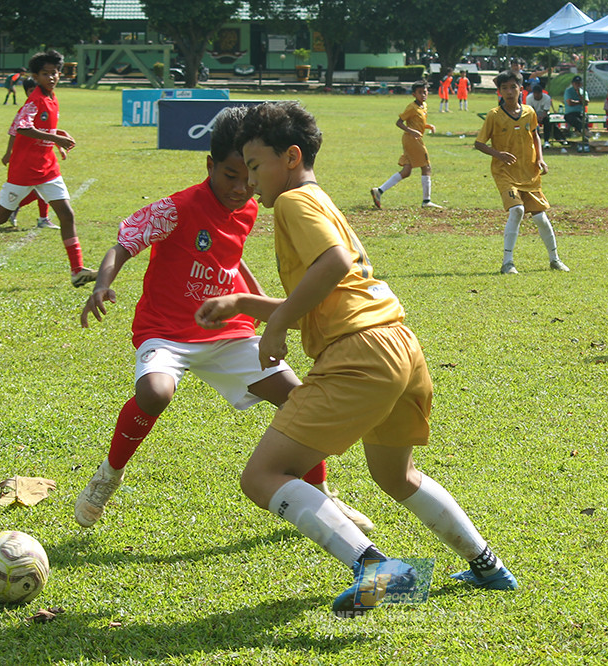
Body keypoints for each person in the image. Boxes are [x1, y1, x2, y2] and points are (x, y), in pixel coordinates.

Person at [194, 101, 517, 618]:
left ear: (291, 156)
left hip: (359, 353)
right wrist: (249, 305)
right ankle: (486, 563)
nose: (251, 182)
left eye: (256, 166)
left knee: (262, 476)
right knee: (397, 476)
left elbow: (334, 264)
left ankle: (379, 570)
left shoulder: (294, 203)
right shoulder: (319, 201)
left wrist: (274, 325)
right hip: (397, 344)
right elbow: (334, 288)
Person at [74, 107, 373, 533]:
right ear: (210, 165)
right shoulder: (178, 207)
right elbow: (124, 242)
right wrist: (102, 284)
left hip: (226, 332)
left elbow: (229, 259)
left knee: (299, 399)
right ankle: (109, 475)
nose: (241, 188)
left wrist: (254, 300)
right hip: (167, 331)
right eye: (230, 176)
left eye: (249, 177)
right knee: (156, 393)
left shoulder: (250, 208)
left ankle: (324, 495)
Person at [0, 50, 96, 287]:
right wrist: (55, 139)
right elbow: (22, 128)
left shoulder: (52, 97)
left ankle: (77, 270)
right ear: (36, 76)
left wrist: (57, 135)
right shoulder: (35, 99)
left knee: (67, 215)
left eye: (55, 72)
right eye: (45, 74)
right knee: (1, 215)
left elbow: (40, 127)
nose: (51, 77)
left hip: (48, 168)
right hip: (24, 169)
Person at [475, 71, 569, 275]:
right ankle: (507, 263)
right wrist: (498, 154)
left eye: (513, 87)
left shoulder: (529, 112)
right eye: (504, 88)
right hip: (504, 172)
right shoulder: (494, 115)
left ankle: (555, 259)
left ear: (520, 89)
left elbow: (535, 135)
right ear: (499, 91)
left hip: (529, 172)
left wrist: (541, 159)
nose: (509, 92)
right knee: (516, 210)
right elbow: (479, 143)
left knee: (540, 217)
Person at [370, 80, 442, 210]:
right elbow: (399, 122)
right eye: (420, 92)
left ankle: (379, 191)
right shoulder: (411, 107)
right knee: (426, 167)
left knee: (407, 171)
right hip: (412, 140)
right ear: (414, 94)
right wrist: (411, 131)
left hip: (412, 139)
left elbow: (416, 123)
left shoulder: (424, 106)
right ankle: (427, 201)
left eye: (425, 92)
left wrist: (427, 126)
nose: (423, 94)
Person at [3, 77, 57, 230]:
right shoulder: (25, 110)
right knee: (38, 189)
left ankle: (42, 217)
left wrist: (57, 142)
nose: (35, 93)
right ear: (27, 93)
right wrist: (8, 153)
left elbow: (49, 130)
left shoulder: (46, 105)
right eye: (31, 91)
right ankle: (14, 209)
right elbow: (15, 132)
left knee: (44, 187)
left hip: (42, 157)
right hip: (27, 158)